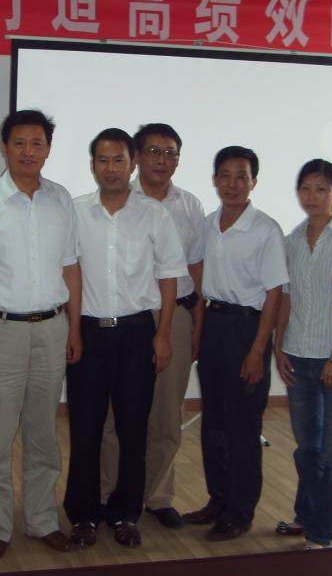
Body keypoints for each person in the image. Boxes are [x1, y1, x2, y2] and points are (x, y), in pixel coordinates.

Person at [0, 109, 82, 561]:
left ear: (48, 149)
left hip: (51, 329)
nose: (28, 151)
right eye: (19, 142)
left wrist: (74, 327)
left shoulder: (60, 199)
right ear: (4, 147)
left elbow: (71, 267)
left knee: (44, 433)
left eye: (37, 143)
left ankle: (42, 519)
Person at [64, 128, 187, 549]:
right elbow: (71, 273)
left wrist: (163, 334)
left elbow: (169, 277)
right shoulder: (76, 212)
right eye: (102, 160)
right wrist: (73, 330)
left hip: (137, 333)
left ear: (132, 163)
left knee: (134, 430)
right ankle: (83, 514)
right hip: (89, 333)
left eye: (118, 160)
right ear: (92, 165)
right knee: (85, 429)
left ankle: (125, 514)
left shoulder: (154, 215)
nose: (110, 168)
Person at [100, 123, 205, 529]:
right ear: (137, 157)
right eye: (154, 151)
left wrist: (197, 322)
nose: (162, 160)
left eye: (170, 152)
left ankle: (158, 495)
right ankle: (110, 491)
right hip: (130, 317)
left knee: (166, 413)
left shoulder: (190, 205)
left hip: (175, 315)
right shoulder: (119, 199)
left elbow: (196, 267)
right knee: (117, 415)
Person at [183, 146, 289, 541]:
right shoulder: (208, 225)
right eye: (224, 175)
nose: (232, 184)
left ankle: (240, 512)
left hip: (248, 328)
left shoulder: (266, 229)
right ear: (214, 180)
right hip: (214, 323)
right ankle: (218, 501)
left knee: (243, 426)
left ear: (253, 182)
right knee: (213, 420)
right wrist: (198, 328)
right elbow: (198, 274)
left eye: (241, 176)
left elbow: (275, 294)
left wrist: (258, 349)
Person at [273, 159, 332, 549]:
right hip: (297, 356)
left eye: (321, 189)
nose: (312, 196)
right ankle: (306, 514)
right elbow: (285, 298)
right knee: (307, 448)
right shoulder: (291, 241)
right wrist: (278, 346)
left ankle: (321, 531)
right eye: (305, 188)